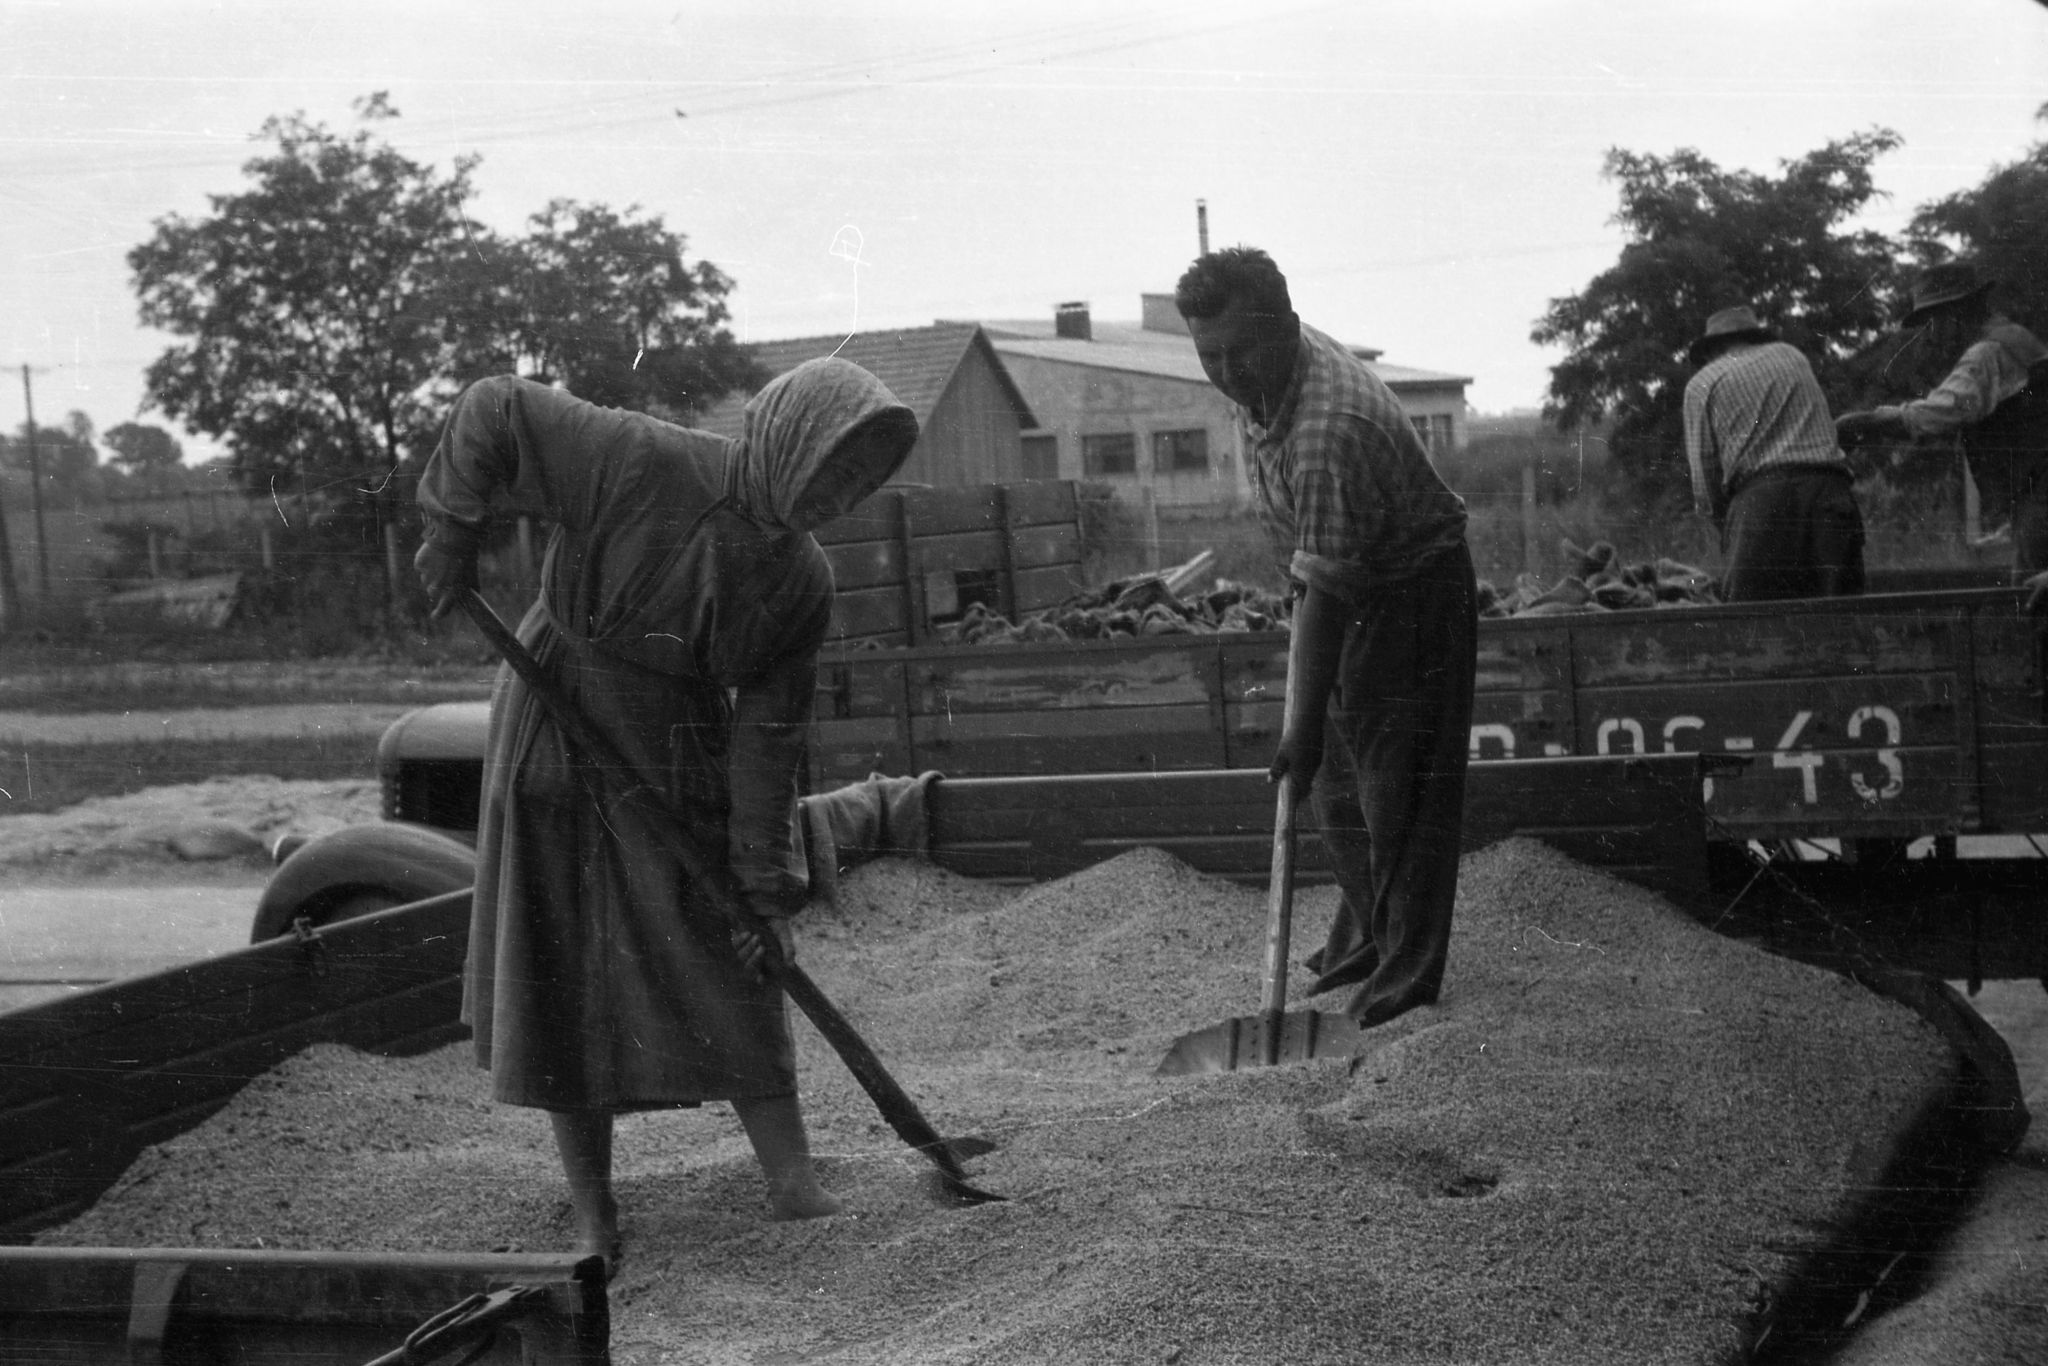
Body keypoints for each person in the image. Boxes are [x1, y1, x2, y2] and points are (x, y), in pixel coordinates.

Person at [413, 359, 919, 1267]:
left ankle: (794, 1186)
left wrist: (763, 889)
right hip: (558, 721)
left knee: (734, 947)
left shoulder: (802, 581)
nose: (842, 495)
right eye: (835, 466)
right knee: (562, 962)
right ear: (788, 437)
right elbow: (496, 407)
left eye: (863, 481)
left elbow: (768, 742)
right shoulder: (638, 457)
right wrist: (453, 528)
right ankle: (594, 1209)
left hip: (678, 745)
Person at [1174, 246, 1477, 1030]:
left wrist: (1301, 727)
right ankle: (1365, 943)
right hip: (1343, 581)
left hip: (1413, 596)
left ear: (1285, 326)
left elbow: (1329, 593)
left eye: (1240, 352)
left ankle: (1406, 977)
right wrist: (1311, 725)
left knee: (1397, 794)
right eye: (1210, 357)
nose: (1228, 372)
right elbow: (1319, 582)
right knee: (1337, 791)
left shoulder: (1327, 432)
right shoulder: (1270, 378)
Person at [1835, 261, 2048, 579]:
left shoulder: (1987, 353)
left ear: (1958, 313)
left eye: (1934, 321)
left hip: (2040, 494)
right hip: (2034, 491)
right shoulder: (2015, 338)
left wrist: (1865, 422)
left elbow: (1939, 413)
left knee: (2033, 592)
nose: (1932, 335)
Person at [1681, 305, 1865, 601]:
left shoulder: (1702, 383)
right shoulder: (1792, 356)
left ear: (1712, 349)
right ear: (1755, 336)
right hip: (1830, 492)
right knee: (1843, 610)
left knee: (1751, 616)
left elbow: (1705, 475)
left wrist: (1727, 529)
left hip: (1762, 503)